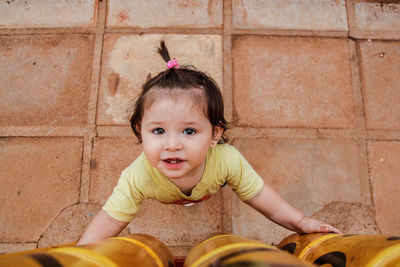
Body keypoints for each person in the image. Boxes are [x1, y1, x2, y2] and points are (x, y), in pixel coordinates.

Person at [78, 41, 341, 245]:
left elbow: (259, 195)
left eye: (189, 131)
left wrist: (300, 221)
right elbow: (110, 218)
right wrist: (78, 256)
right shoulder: (137, 177)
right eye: (158, 130)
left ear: (215, 135)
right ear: (139, 130)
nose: (172, 145)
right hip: (169, 193)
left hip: (208, 182)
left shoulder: (228, 161)